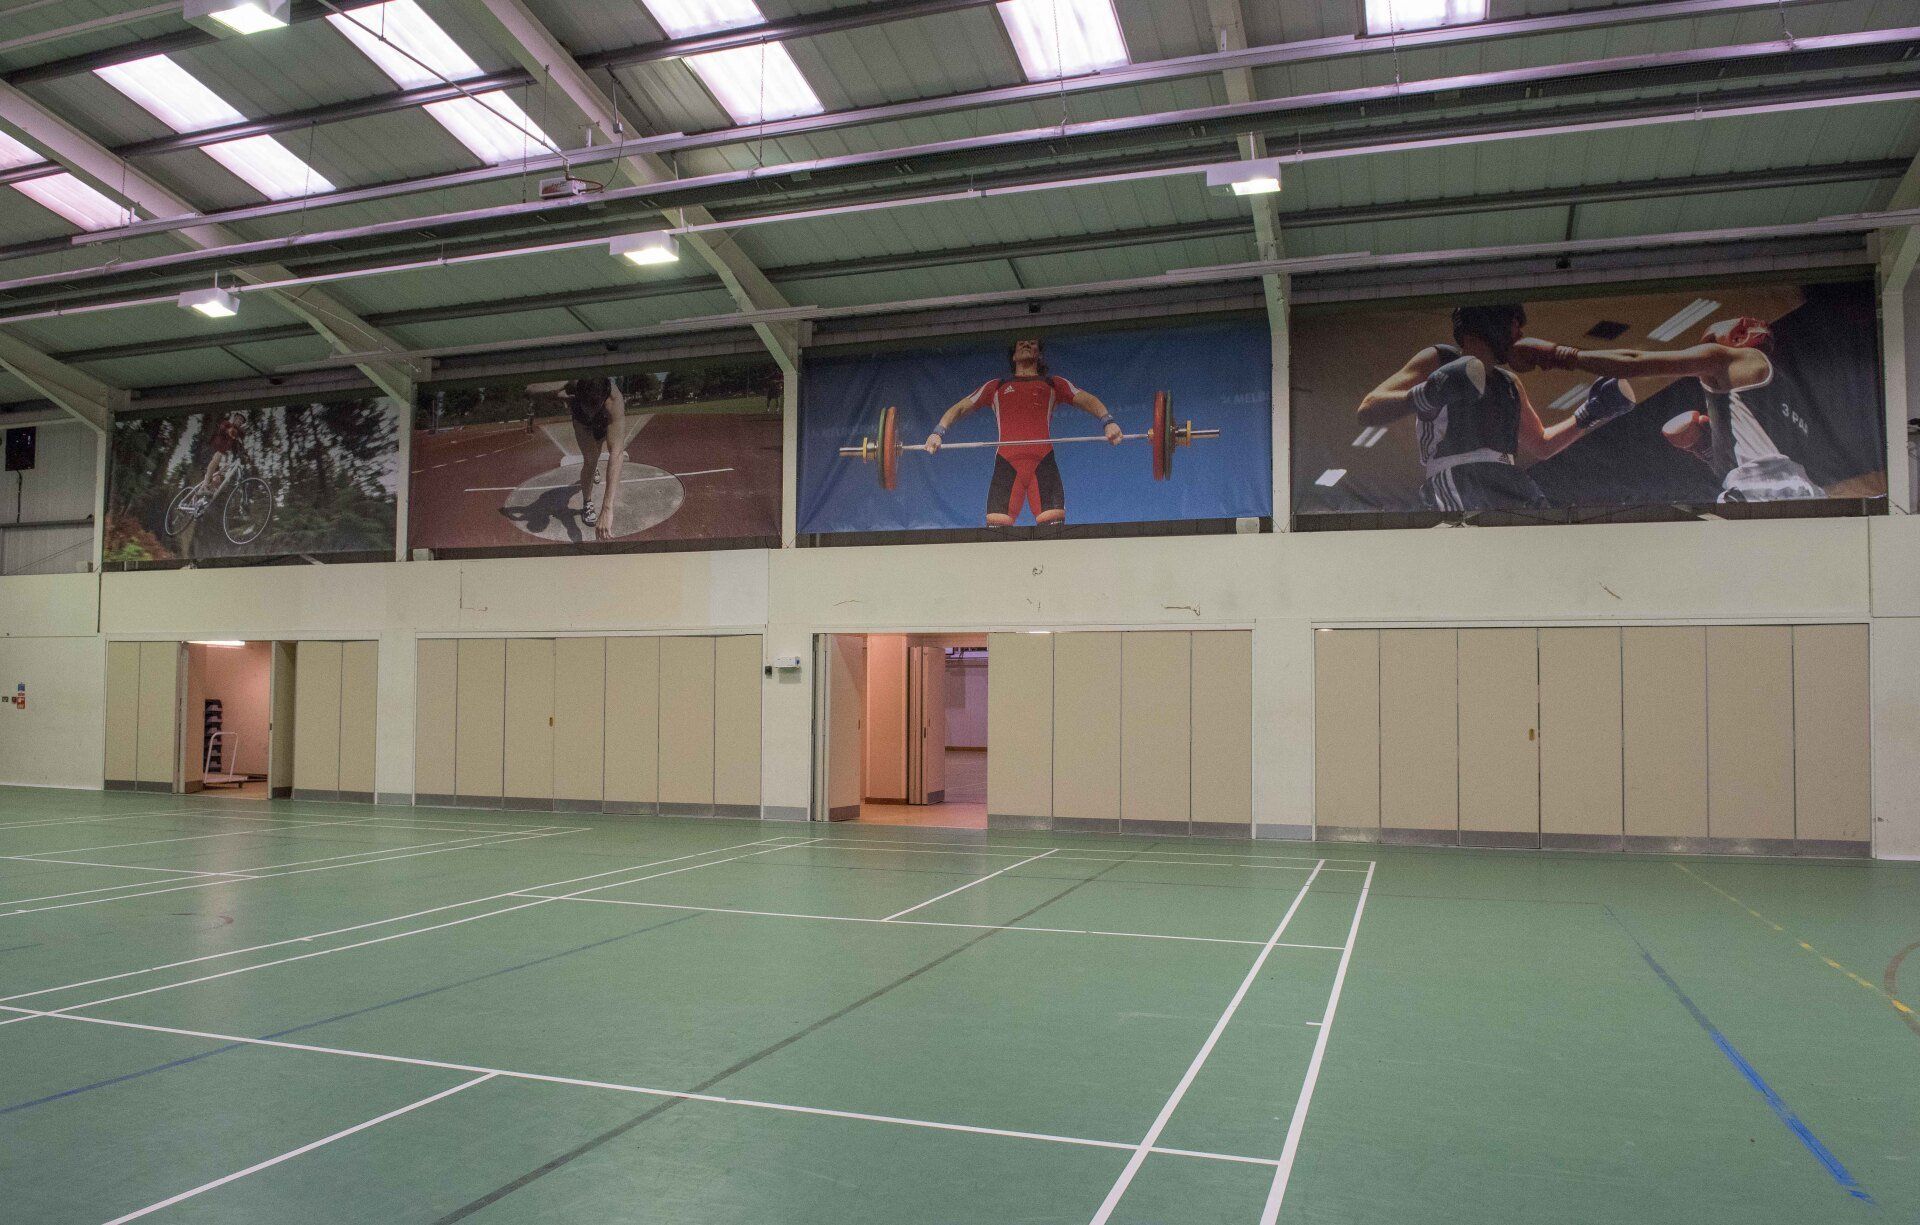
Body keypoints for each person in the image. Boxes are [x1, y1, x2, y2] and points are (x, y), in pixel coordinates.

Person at [1356, 304, 1638, 512]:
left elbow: (1541, 444)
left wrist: (1589, 413)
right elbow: (1368, 408)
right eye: (1515, 324)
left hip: (1511, 479)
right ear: (1492, 322)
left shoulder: (1509, 382)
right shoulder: (1439, 359)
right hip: (1458, 477)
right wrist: (1430, 392)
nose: (1520, 334)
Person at [1510, 316, 1822, 502]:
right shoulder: (1779, 392)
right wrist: (1703, 447)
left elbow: (1636, 363)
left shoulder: (1732, 357)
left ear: (1740, 334)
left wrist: (1558, 355)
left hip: (1758, 496)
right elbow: (1763, 460)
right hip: (1804, 499)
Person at [923, 337, 1122, 526]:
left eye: (1032, 342)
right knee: (997, 538)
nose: (1026, 343)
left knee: (1053, 535)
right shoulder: (996, 387)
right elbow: (960, 408)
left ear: (1039, 354)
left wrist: (1108, 421)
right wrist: (937, 432)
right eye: (1021, 342)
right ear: (1013, 355)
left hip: (1043, 464)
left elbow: (1087, 399)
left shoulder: (1053, 384)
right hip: (1006, 465)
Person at [563, 375, 627, 539]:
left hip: (604, 417)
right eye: (588, 406)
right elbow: (533, 388)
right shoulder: (572, 387)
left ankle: (594, 469)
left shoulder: (614, 399)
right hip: (581, 420)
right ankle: (587, 502)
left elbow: (616, 453)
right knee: (591, 459)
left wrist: (607, 508)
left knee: (600, 450)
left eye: (594, 406)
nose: (591, 411)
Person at [191, 413, 245, 512]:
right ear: (234, 419)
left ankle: (201, 500)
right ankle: (204, 486)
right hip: (211, 450)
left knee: (218, 480)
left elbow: (237, 448)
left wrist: (245, 455)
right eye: (238, 419)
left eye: (241, 421)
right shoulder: (227, 424)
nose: (240, 421)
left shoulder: (235, 436)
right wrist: (228, 430)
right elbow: (221, 428)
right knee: (218, 456)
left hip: (219, 456)